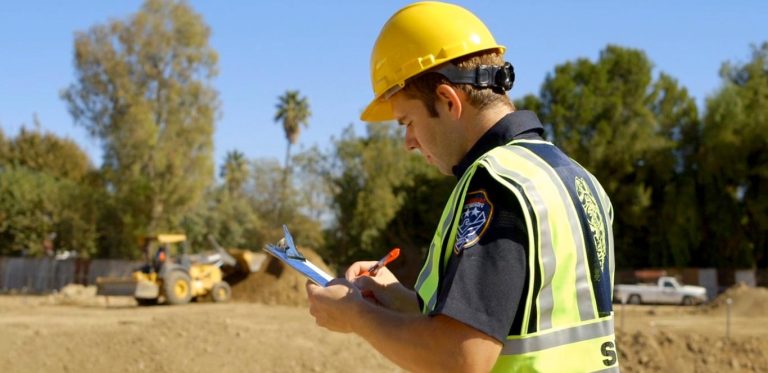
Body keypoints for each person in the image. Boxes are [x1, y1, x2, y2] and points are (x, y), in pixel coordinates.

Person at [305, 2, 618, 372]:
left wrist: (357, 317)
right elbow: (511, 319)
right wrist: (395, 298)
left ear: (448, 101)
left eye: (408, 121)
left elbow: (461, 358)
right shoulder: (575, 177)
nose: (408, 142)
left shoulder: (497, 184)